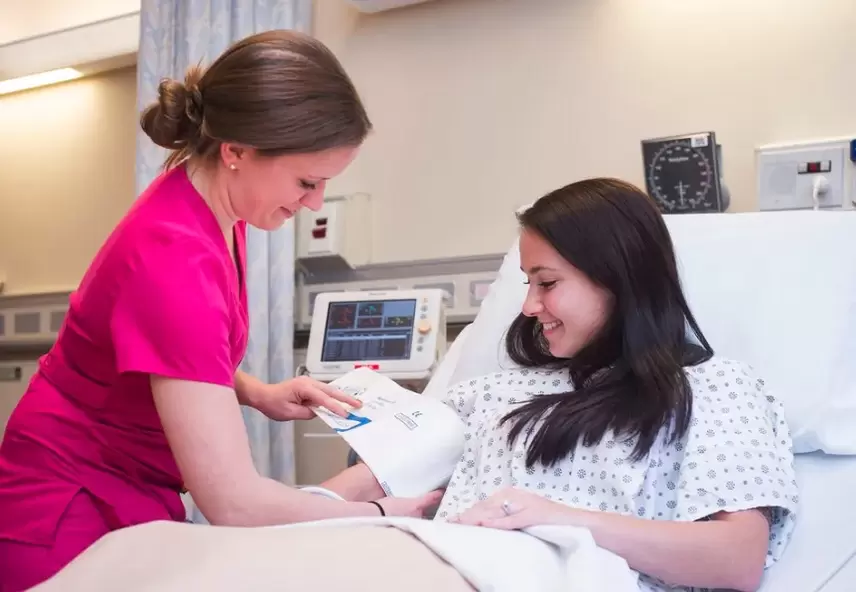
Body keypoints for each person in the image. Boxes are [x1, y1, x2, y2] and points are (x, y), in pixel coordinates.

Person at [0, 29, 440, 592]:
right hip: (67, 506)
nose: (312, 203)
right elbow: (233, 503)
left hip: (129, 483)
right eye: (307, 182)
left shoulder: (206, 204)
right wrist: (382, 518)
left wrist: (255, 391)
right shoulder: (174, 258)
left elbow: (164, 351)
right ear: (235, 152)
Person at [434, 178, 799, 592]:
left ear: (618, 280)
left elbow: (736, 560)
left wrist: (551, 518)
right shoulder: (491, 391)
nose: (529, 306)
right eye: (527, 284)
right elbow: (365, 489)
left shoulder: (714, 389)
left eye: (548, 283)